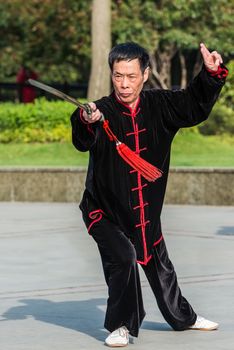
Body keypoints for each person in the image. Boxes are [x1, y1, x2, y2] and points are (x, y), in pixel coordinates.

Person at [71, 42, 228, 347]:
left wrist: (210, 74)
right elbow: (81, 139)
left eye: (131, 76)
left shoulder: (160, 106)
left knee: (160, 266)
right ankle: (119, 325)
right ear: (112, 75)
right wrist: (85, 120)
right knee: (124, 258)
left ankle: (184, 317)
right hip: (104, 212)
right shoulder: (100, 110)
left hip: (145, 213)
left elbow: (193, 103)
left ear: (144, 74)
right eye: (118, 76)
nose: (124, 84)